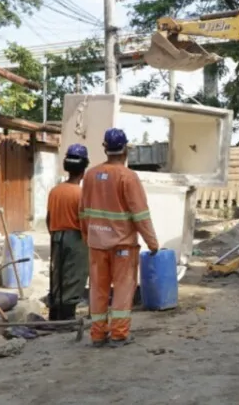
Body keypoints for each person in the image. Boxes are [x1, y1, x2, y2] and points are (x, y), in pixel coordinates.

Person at [79, 128, 159, 348]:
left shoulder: (90, 175)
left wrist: (88, 237)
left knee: (98, 290)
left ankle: (97, 335)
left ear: (105, 148)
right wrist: (152, 243)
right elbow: (140, 214)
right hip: (122, 246)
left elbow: (83, 211)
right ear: (126, 149)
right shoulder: (128, 177)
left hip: (96, 245)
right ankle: (119, 334)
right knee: (123, 290)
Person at [46, 144, 90, 321]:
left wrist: (54, 234)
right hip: (76, 238)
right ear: (83, 169)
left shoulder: (55, 191)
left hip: (56, 236)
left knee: (57, 275)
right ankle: (66, 319)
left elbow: (49, 218)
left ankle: (54, 316)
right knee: (74, 277)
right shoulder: (81, 194)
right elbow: (85, 221)